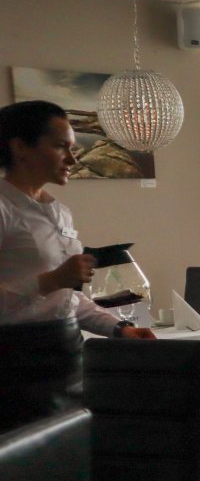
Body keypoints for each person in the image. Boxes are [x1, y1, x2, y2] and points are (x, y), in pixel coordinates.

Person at [1, 100, 155, 340]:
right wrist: (50, 281)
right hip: (15, 353)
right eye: (60, 147)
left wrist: (120, 329)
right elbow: (54, 286)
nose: (72, 160)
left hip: (68, 348)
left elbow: (66, 299)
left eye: (72, 148)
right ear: (20, 147)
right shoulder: (4, 209)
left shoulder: (60, 213)